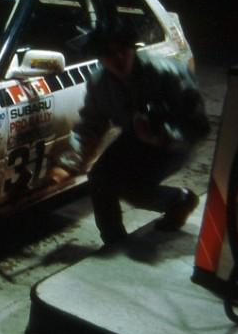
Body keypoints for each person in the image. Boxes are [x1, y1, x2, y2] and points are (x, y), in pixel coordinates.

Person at [50, 19, 210, 245]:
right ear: (100, 57)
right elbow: (91, 124)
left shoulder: (166, 73)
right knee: (100, 178)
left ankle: (179, 201)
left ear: (132, 48)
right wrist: (70, 162)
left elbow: (198, 125)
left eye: (122, 50)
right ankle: (114, 241)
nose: (117, 58)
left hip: (173, 142)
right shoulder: (100, 83)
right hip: (136, 137)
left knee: (133, 189)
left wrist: (163, 136)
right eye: (108, 53)